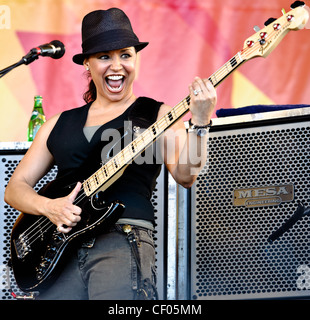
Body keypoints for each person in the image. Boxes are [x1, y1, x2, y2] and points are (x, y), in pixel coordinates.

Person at [4, 8, 217, 300]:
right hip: (59, 253)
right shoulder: (58, 123)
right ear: (88, 65)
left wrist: (201, 122)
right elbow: (15, 189)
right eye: (104, 56)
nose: (117, 65)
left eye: (125, 55)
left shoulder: (156, 114)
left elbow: (186, 175)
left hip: (122, 239)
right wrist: (50, 208)